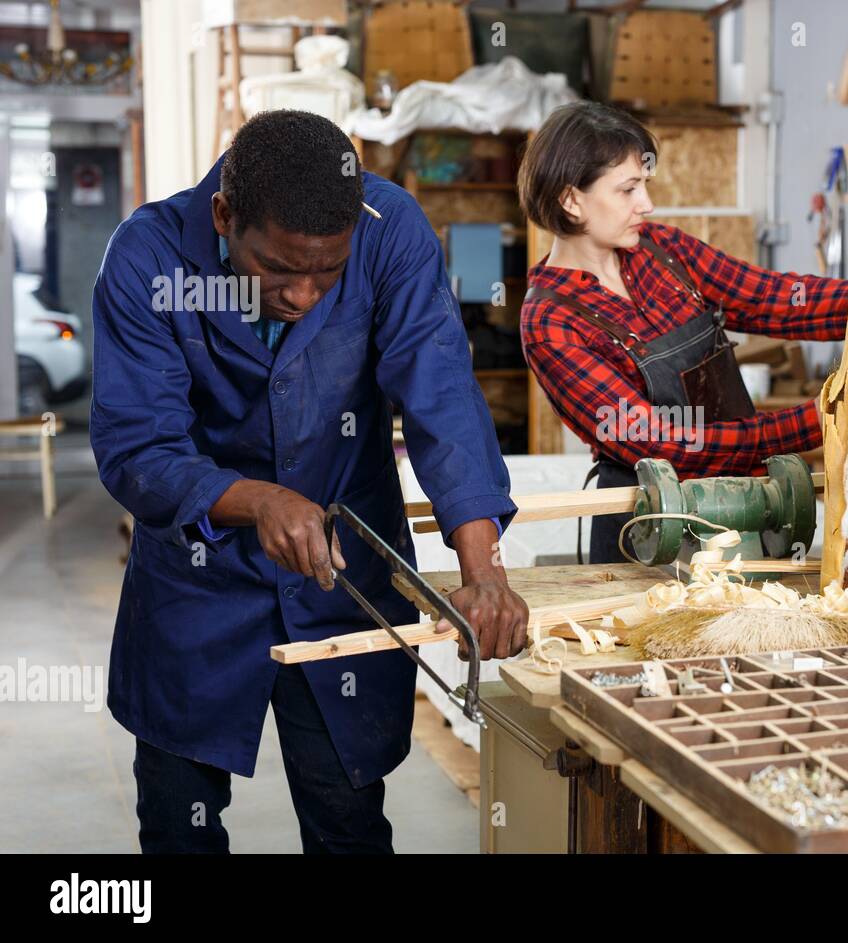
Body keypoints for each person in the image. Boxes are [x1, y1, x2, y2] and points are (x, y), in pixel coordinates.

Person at [91, 110, 528, 853]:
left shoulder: (390, 230)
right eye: (278, 270)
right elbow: (137, 445)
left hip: (344, 574)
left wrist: (481, 570)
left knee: (348, 816)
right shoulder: (148, 258)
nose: (304, 296)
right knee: (178, 818)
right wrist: (256, 499)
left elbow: (443, 397)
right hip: (198, 579)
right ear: (225, 216)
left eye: (328, 272)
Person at [518, 101, 848, 563]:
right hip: (650, 534)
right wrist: (817, 421)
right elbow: (667, 442)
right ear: (572, 200)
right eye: (628, 190)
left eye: (644, 185)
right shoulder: (551, 323)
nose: (646, 204)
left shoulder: (663, 252)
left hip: (743, 505)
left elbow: (772, 298)